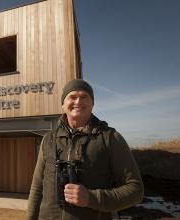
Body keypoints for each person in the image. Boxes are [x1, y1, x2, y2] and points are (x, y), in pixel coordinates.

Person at [26, 79, 143, 220]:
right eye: (72, 97)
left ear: (92, 104)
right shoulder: (48, 140)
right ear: (63, 105)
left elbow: (135, 190)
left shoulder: (110, 138)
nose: (78, 102)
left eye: (84, 97)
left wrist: (91, 198)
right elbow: (37, 189)